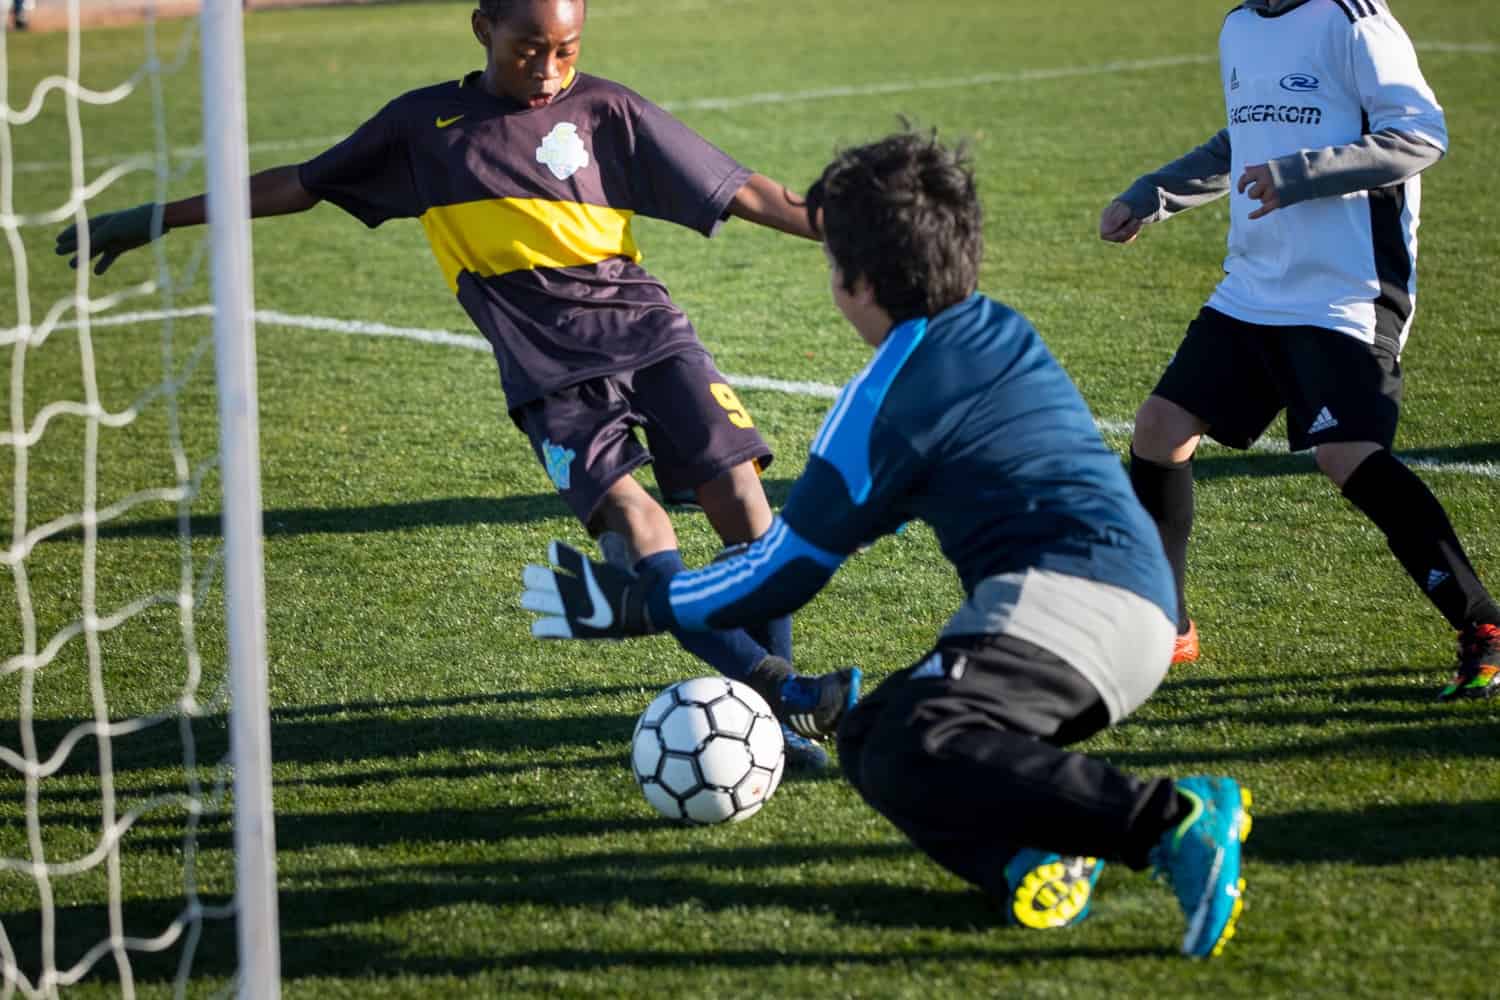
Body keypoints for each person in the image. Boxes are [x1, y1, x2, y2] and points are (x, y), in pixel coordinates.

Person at [53, 0, 859, 765]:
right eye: (529, 49)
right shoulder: (422, 128)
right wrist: (161, 215)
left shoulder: (609, 111)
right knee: (641, 535)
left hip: (653, 340)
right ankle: (781, 694)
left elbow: (741, 188)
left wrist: (850, 226)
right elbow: (300, 184)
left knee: (749, 512)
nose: (549, 69)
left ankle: (780, 724)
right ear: (483, 28)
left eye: (567, 50)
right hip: (549, 378)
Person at [522, 130, 1253, 958]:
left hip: (1072, 610)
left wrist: (646, 601)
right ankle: (1031, 857)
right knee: (874, 736)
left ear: (855, 280)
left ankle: (1171, 818)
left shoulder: (888, 399)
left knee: (920, 735)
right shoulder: (993, 329)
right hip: (1129, 607)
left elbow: (785, 570)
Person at [1100, 0, 1500, 697]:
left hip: (1344, 289)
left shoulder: (1355, 20)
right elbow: (1241, 145)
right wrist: (1152, 195)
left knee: (1346, 457)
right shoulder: (1240, 26)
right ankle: (1168, 624)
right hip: (1254, 287)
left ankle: (1483, 624)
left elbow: (1420, 136)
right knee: (1159, 430)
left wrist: (1299, 174)